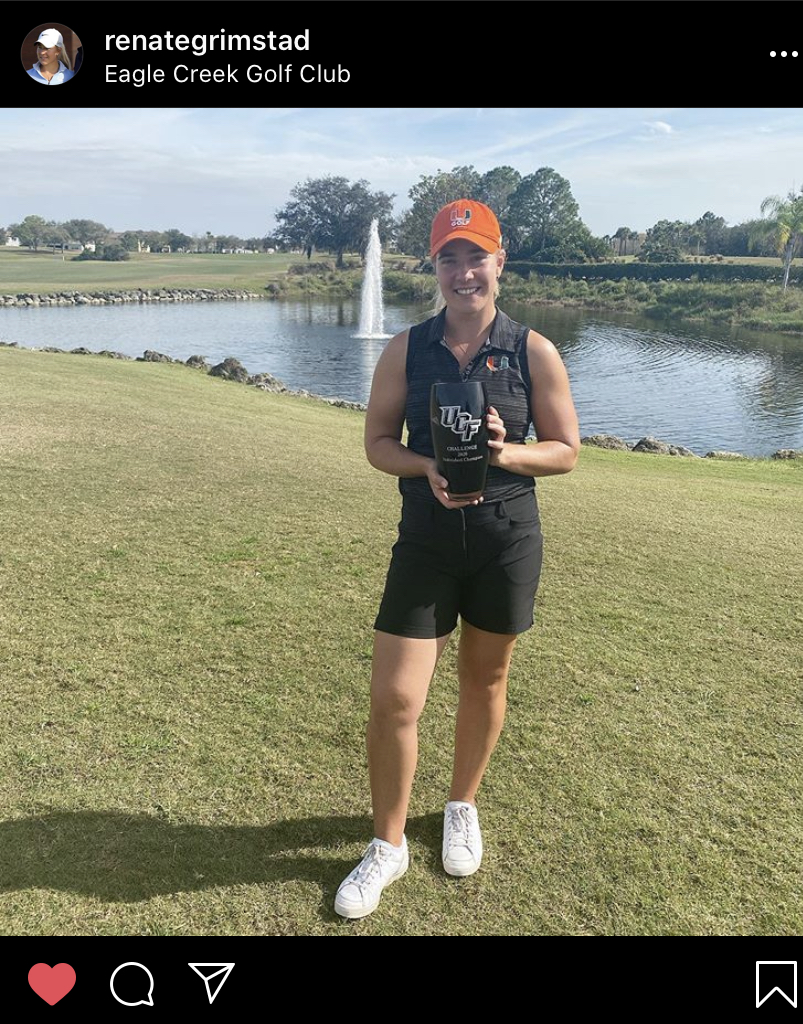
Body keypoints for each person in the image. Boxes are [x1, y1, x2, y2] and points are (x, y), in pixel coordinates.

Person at [334, 199, 581, 919]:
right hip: (426, 543)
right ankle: (387, 845)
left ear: (500, 262)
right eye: (450, 258)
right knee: (395, 698)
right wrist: (424, 467)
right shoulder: (405, 349)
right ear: (434, 267)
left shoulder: (533, 350)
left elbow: (566, 451)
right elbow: (377, 444)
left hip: (506, 540)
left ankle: (460, 806)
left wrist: (505, 451)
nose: (463, 271)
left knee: (486, 679)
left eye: (477, 256)